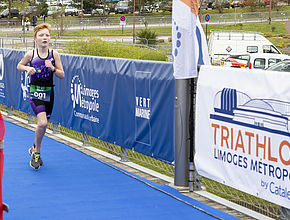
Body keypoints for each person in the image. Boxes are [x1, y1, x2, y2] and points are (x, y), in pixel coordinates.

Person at [17, 23, 65, 169]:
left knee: (43, 126)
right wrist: (28, 68)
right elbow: (19, 65)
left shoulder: (54, 54)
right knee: (42, 123)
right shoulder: (31, 54)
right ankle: (37, 152)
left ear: (49, 38)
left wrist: (53, 68)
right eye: (41, 35)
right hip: (35, 92)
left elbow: (62, 75)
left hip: (49, 92)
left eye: (47, 35)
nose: (44, 38)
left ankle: (33, 148)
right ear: (35, 38)